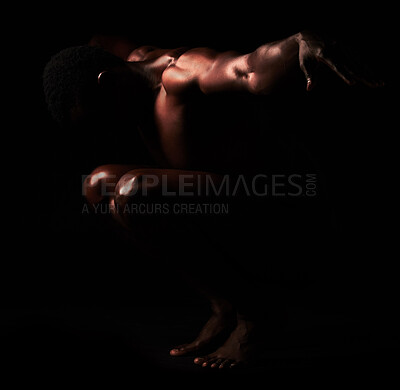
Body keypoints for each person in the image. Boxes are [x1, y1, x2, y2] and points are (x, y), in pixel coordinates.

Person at [43, 30, 382, 369]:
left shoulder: (183, 72)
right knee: (98, 185)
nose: (109, 131)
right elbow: (102, 41)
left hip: (282, 206)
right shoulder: (123, 71)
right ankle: (224, 305)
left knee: (135, 190)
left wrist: (298, 43)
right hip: (226, 209)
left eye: (100, 117)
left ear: (107, 83)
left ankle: (257, 316)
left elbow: (249, 71)